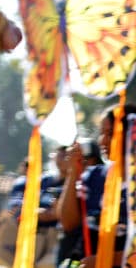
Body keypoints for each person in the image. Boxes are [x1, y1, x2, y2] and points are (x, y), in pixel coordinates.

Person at [57, 104, 136, 268]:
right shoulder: (94, 176)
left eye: (111, 133)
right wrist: (73, 173)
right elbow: (68, 223)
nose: (103, 141)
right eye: (102, 133)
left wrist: (105, 260)